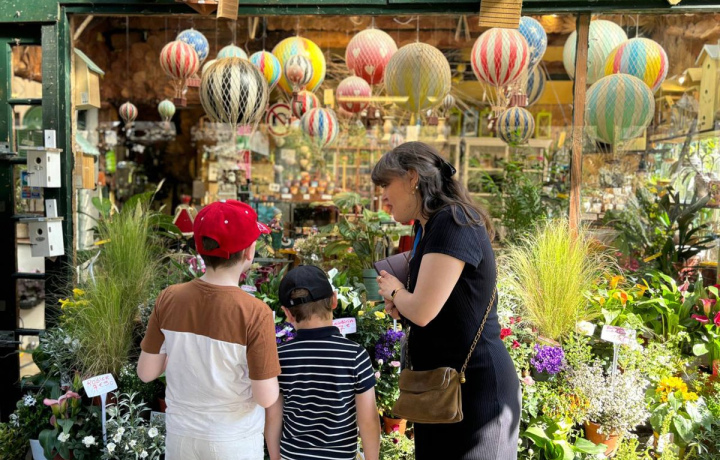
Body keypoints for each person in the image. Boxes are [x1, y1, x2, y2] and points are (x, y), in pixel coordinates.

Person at [373, 142, 521, 460]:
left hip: (474, 392)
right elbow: (442, 310)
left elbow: (423, 311)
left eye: (386, 184)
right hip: (442, 390)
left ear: (412, 177)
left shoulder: (451, 220)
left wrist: (396, 292)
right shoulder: (431, 226)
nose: (382, 195)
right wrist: (403, 306)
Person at [137, 200, 281, 460]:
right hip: (233, 440)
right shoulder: (255, 312)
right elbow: (266, 396)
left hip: (181, 438)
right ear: (249, 252)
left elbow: (146, 373)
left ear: (200, 249)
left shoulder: (168, 298)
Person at [265, 265, 381, 460]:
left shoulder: (280, 356)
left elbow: (273, 417)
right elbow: (368, 420)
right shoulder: (355, 355)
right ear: (334, 300)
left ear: (288, 313)